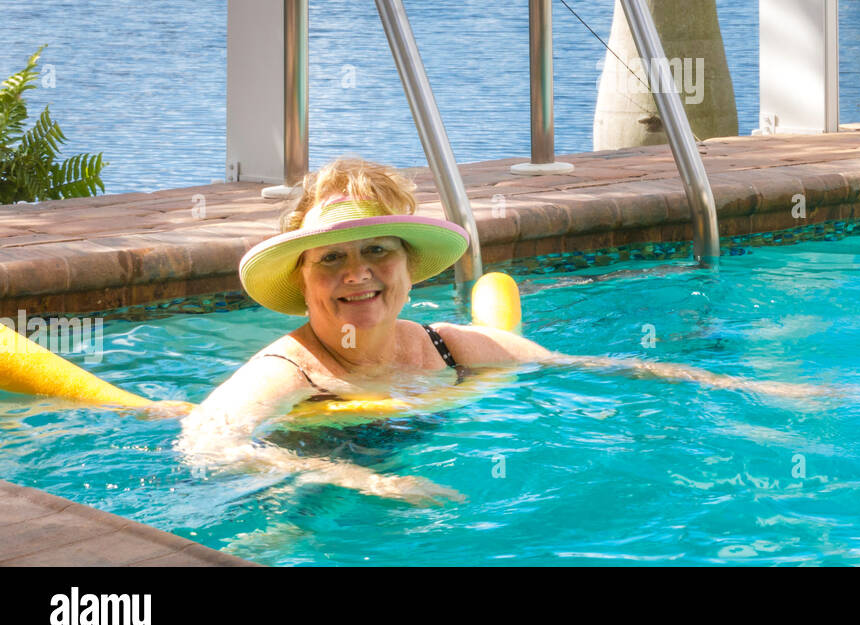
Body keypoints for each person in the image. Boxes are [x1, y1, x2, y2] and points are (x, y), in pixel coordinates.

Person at [179, 157, 816, 505]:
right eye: (333, 258)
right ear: (304, 279)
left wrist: (738, 386)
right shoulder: (291, 371)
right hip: (306, 511)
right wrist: (364, 481)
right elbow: (205, 446)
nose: (359, 274)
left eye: (378, 251)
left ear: (407, 268)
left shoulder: (447, 346)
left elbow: (584, 367)